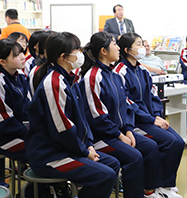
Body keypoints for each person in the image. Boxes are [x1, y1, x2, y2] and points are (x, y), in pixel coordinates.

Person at [26, 32, 120, 198]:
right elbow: (62, 129)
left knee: (112, 164)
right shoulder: (53, 83)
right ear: (63, 57)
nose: (81, 53)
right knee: (105, 175)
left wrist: (89, 145)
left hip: (66, 149)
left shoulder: (70, 79)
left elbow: (82, 120)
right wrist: (84, 152)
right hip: (50, 156)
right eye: (77, 49)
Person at [80, 31, 163, 198]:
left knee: (150, 146)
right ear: (104, 51)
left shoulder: (115, 75)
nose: (118, 49)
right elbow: (98, 117)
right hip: (101, 137)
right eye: (114, 45)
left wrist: (129, 130)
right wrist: (119, 135)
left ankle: (149, 190)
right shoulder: (93, 77)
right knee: (134, 157)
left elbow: (125, 107)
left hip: (118, 132)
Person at [115, 32, 184, 198]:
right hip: (135, 122)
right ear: (127, 50)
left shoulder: (142, 70)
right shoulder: (120, 72)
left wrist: (157, 116)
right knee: (167, 142)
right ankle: (152, 188)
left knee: (178, 142)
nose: (143, 48)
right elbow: (127, 103)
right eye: (138, 44)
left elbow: (153, 96)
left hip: (150, 119)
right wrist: (151, 119)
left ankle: (166, 185)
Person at [0, 39, 30, 163]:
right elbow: (5, 121)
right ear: (2, 61)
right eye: (16, 55)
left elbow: (28, 106)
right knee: (40, 150)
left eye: (22, 52)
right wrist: (29, 133)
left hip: (18, 131)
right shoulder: (1, 80)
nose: (23, 57)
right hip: (4, 137)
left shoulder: (20, 75)